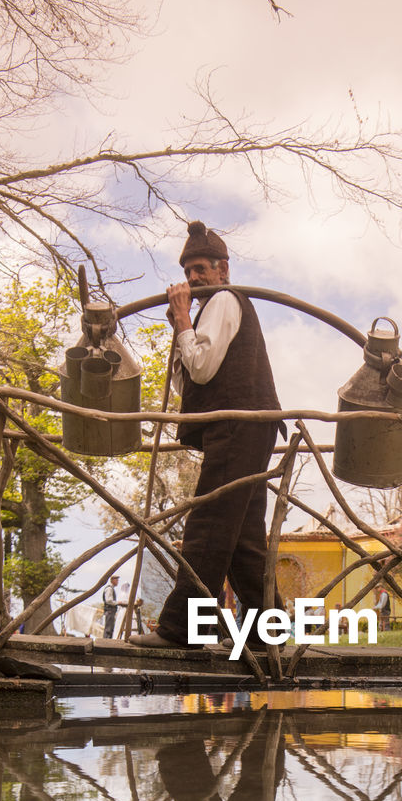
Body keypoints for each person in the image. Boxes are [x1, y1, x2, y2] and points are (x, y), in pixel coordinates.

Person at [131, 220, 283, 650]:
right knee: (244, 536)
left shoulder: (222, 301)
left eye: (201, 268)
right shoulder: (210, 309)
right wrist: (179, 328)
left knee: (209, 524)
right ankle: (266, 633)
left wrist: (182, 320)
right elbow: (192, 383)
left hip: (240, 425)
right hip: (247, 427)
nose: (193, 278)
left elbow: (201, 367)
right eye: (188, 272)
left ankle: (181, 630)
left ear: (222, 270)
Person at [102, 574, 120, 640]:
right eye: (116, 580)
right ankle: (106, 642)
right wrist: (117, 602)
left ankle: (108, 640)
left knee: (110, 627)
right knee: (108, 628)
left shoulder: (111, 589)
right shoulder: (109, 589)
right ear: (112, 580)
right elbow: (109, 600)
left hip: (111, 611)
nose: (117, 581)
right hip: (109, 610)